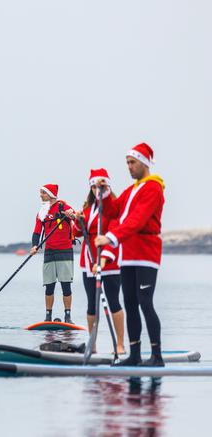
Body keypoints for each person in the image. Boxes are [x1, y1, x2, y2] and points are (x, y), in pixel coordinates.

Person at [95, 143, 165, 366]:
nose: (129, 167)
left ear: (144, 163)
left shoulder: (153, 188)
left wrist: (111, 238)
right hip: (128, 255)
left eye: (132, 162)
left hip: (146, 254)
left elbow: (137, 220)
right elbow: (115, 210)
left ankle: (157, 356)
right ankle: (135, 354)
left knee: (145, 302)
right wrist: (104, 192)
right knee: (131, 303)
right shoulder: (132, 189)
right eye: (127, 163)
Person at [72, 169, 125, 354]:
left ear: (107, 187)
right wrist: (78, 221)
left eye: (100, 187)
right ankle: (92, 345)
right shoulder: (88, 208)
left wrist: (102, 262)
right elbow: (77, 233)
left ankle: (119, 345)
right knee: (91, 303)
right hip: (88, 262)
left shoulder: (113, 208)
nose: (97, 190)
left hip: (108, 263)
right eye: (93, 187)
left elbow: (113, 235)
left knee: (113, 301)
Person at [30, 184, 76, 323]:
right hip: (49, 252)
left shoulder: (64, 206)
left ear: (50, 194)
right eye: (40, 193)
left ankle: (68, 317)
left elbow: (77, 217)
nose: (40, 195)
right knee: (49, 286)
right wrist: (34, 246)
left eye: (43, 193)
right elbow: (37, 231)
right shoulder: (42, 212)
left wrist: (71, 215)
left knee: (66, 285)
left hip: (65, 251)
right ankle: (48, 316)